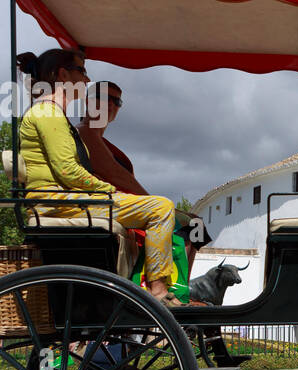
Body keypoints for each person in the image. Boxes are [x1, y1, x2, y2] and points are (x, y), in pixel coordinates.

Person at [15, 50, 180, 306]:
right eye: (82, 71)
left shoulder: (51, 114)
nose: (86, 78)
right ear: (63, 74)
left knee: (168, 214)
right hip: (57, 202)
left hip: (60, 200)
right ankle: (159, 291)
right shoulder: (49, 114)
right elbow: (68, 170)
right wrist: (110, 192)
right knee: (162, 208)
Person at [78, 82, 212, 271]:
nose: (111, 105)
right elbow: (114, 174)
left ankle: (181, 289)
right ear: (89, 101)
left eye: (117, 101)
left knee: (195, 226)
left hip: (125, 205)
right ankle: (169, 290)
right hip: (112, 206)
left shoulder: (99, 138)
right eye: (105, 98)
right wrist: (152, 202)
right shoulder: (86, 133)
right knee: (191, 227)